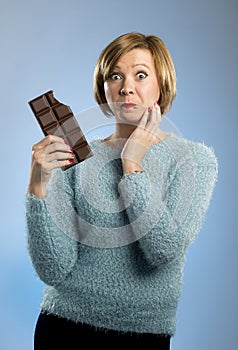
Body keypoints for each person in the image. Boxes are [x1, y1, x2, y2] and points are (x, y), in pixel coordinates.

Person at [26, 32, 218, 349]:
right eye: (115, 75)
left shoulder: (194, 160)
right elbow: (53, 268)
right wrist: (38, 184)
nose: (126, 86)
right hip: (62, 328)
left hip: (143, 335)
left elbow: (163, 251)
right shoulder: (77, 156)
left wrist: (132, 164)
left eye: (140, 74)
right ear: (104, 88)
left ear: (162, 85)